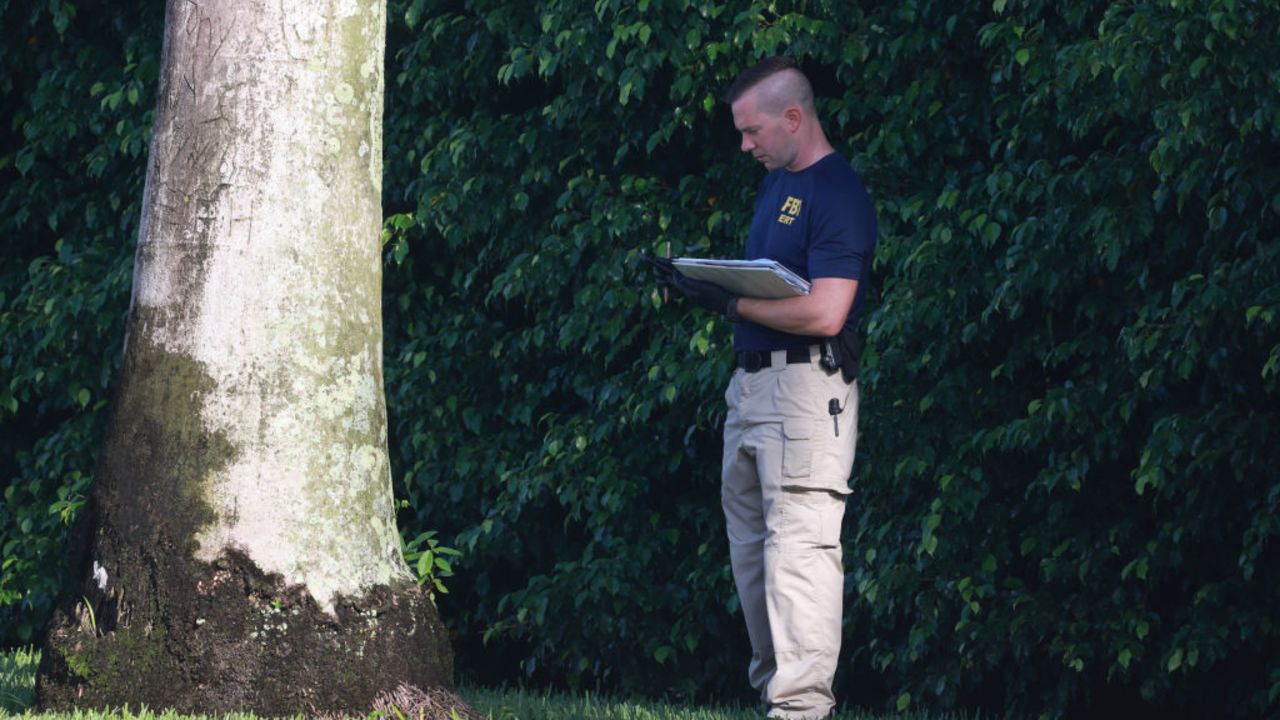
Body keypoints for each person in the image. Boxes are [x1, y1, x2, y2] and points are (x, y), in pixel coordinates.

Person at [653, 56, 878, 719]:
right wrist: (707, 283)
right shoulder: (777, 186)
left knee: (800, 555)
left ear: (793, 117)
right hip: (752, 393)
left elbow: (826, 312)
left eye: (752, 132)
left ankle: (801, 710)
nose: (745, 145)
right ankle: (775, 697)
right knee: (754, 558)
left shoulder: (838, 193)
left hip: (807, 397)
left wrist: (725, 302)